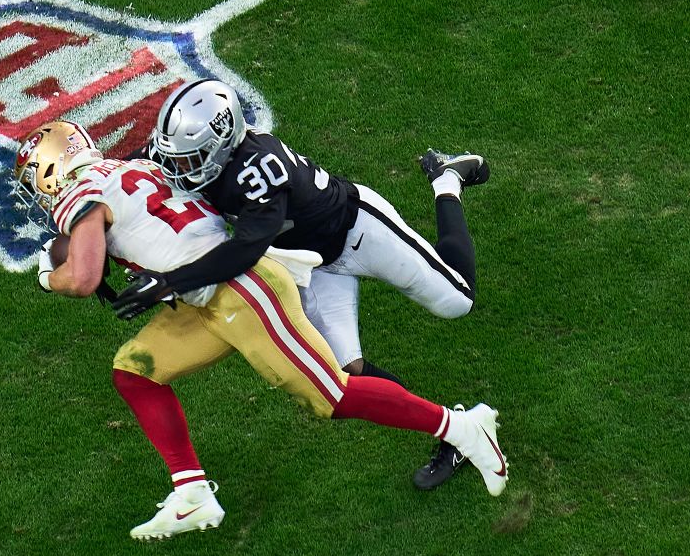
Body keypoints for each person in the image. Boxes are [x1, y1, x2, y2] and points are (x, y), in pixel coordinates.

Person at [14, 119, 508, 541]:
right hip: (206, 294)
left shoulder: (83, 193)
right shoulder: (132, 166)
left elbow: (80, 278)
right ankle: (191, 492)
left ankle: (461, 427)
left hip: (243, 291)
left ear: (52, 172)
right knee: (135, 371)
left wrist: (47, 275)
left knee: (331, 395)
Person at [114, 79, 489, 490]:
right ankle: (454, 430)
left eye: (192, 158)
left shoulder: (256, 167)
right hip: (310, 266)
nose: (179, 169)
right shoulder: (186, 154)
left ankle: (447, 182)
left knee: (458, 300)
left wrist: (170, 281)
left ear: (223, 142)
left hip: (356, 231)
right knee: (347, 373)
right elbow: (131, 172)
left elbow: (245, 249)